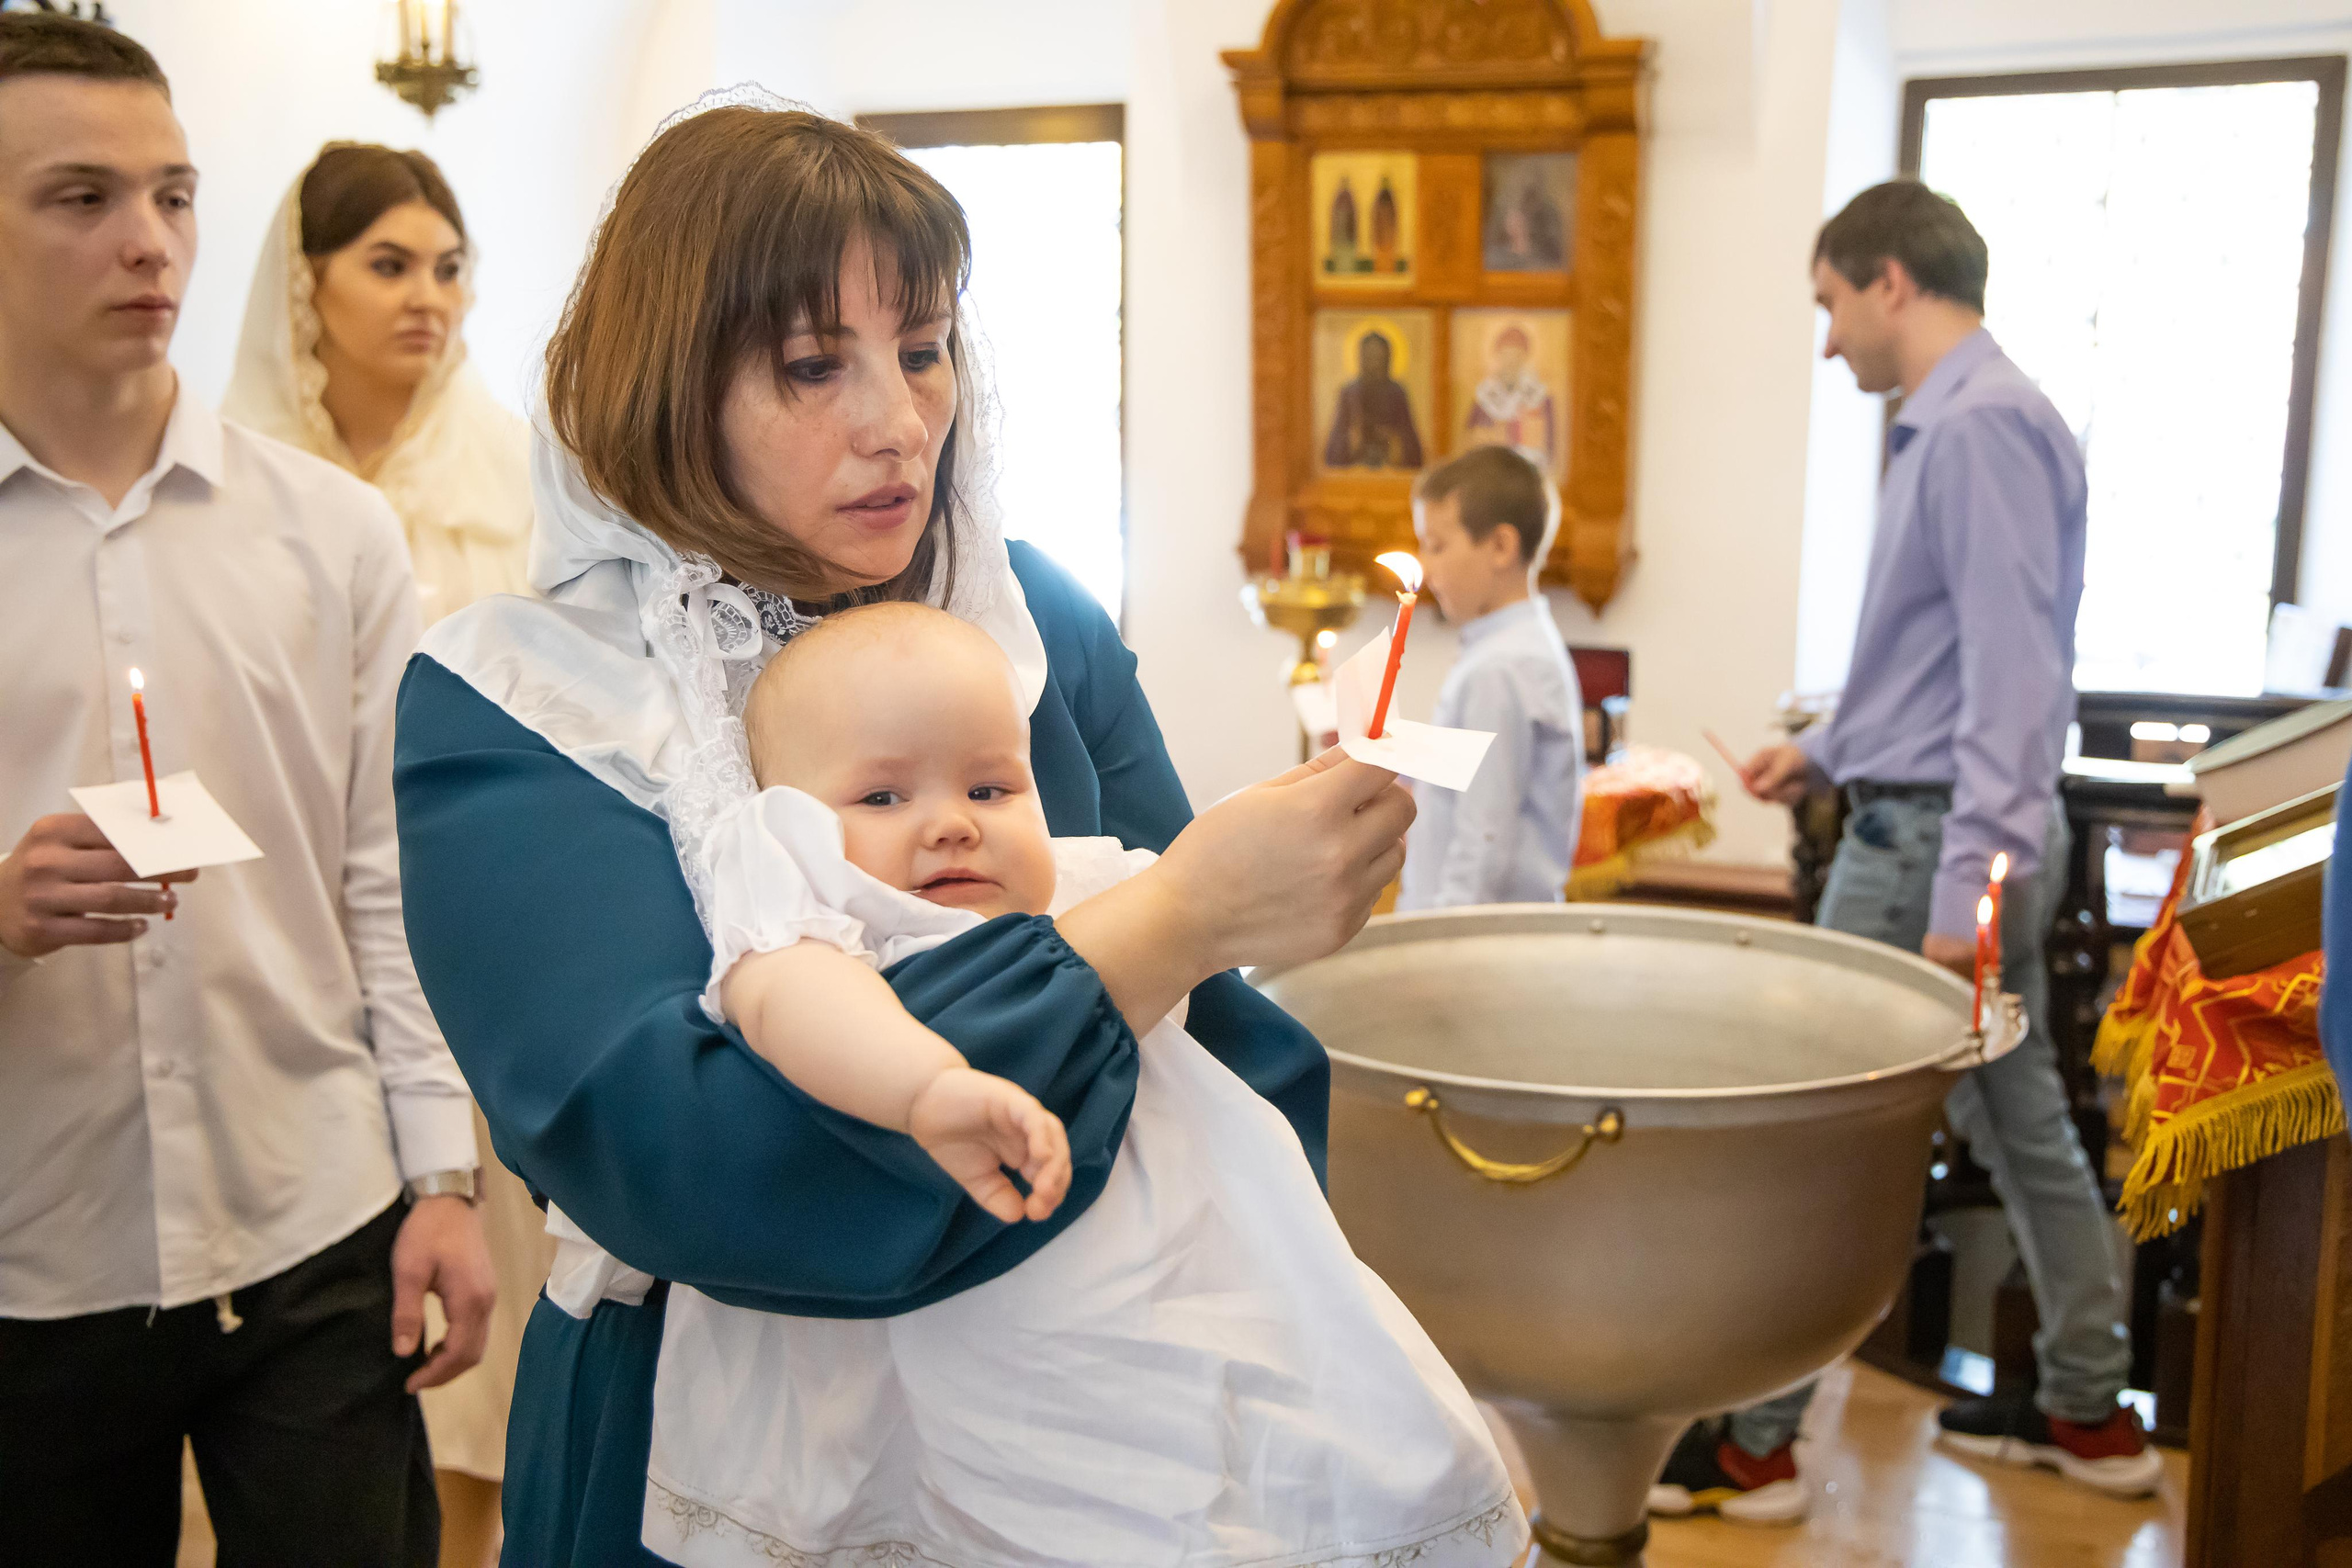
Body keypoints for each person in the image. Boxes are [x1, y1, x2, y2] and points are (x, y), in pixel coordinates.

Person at [389, 96, 1421, 1564]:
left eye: (924, 348)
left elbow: (1222, 1046)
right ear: (666, 387)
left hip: (1095, 1391)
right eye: (815, 365)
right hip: (705, 1425)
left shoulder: (1025, 618)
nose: (898, 422)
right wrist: (1171, 923)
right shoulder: (523, 695)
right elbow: (689, 1155)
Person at [616, 599, 1521, 1564]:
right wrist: (927, 1086)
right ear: (785, 821)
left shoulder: (1101, 885)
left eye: (991, 787)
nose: (951, 826)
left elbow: (1228, 893)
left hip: (1167, 1293)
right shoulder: (824, 915)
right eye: (883, 798)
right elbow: (788, 999)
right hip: (966, 1327)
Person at [0, 17, 493, 1566]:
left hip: (314, 1212)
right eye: (82, 198)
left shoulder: (333, 534)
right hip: (32, 1246)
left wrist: (442, 1178)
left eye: (175, 194)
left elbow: (381, 876)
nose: (150, 243)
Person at [1650, 179, 2156, 1526]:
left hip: (1940, 840)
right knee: (2016, 1107)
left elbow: (2013, 672)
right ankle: (2087, 1405)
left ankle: (1755, 1440)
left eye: (1828, 302)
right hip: (1929, 817)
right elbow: (1942, 660)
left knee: (1814, 1122)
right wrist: (1821, 751)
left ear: (1889, 279)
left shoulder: (1980, 426)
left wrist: (1965, 887)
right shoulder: (1962, 424)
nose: (1828, 341)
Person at [223, 141, 541, 1567]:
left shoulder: (517, 475)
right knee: (310, 1363)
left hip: (486, 939)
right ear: (308, 287)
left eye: (450, 266)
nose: (430, 298)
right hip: (293, 947)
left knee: (490, 1350)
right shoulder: (236, 482)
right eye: (389, 263)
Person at [1396, 445, 1583, 910]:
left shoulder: (1500, 668)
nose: (1426, 568)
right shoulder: (1509, 650)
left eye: (1437, 546)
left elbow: (1485, 834)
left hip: (1472, 944)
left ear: (1500, 546)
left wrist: (1441, 942)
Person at [1462, 323, 1557, 475]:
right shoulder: (1483, 397)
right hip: (1490, 473)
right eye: (1506, 355)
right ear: (1498, 356)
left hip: (1527, 474)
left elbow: (1549, 447)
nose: (1511, 361)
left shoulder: (1541, 397)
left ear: (1525, 357)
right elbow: (1471, 439)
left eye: (1516, 355)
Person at [1324, 326, 1425, 469]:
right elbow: (1333, 452)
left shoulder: (1396, 393)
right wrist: (1352, 440)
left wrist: (1392, 440)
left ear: (1387, 358)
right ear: (1361, 358)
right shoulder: (1350, 393)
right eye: (1369, 357)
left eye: (1379, 358)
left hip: (1390, 470)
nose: (1374, 364)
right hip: (1354, 472)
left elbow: (1411, 448)